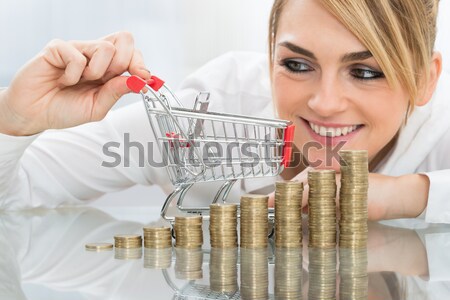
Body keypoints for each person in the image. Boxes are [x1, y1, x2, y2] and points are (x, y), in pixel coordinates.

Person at [0, 0, 447, 223]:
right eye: (296, 64)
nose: (325, 102)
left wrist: (403, 195)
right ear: (268, 55)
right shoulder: (210, 110)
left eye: (366, 72)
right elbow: (18, 193)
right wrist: (13, 122)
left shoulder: (439, 136)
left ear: (426, 79)